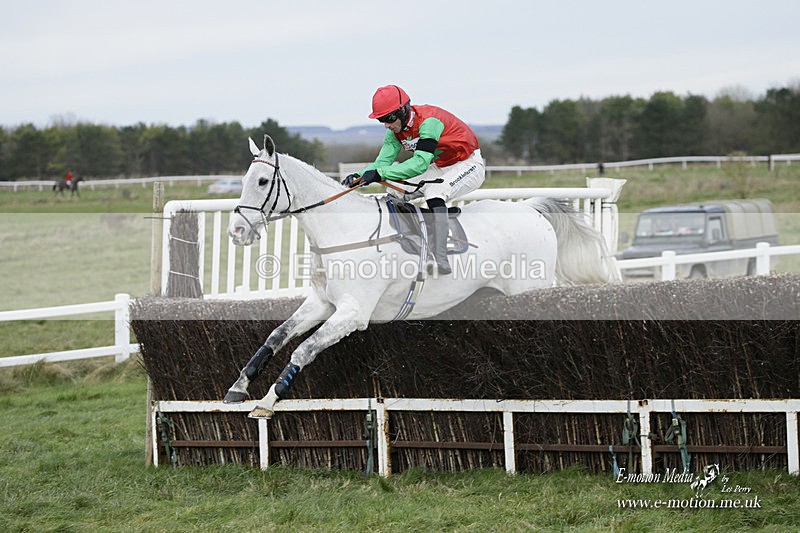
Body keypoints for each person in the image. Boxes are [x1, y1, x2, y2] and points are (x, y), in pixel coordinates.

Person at [342, 85, 485, 275]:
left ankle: (440, 256)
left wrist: (380, 174)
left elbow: (419, 165)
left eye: (388, 118)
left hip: (468, 164)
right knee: (395, 190)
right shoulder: (394, 132)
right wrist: (360, 177)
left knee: (434, 192)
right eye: (381, 120)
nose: (386, 125)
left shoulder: (429, 121)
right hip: (440, 166)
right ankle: (409, 240)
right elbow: (382, 162)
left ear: (403, 110)